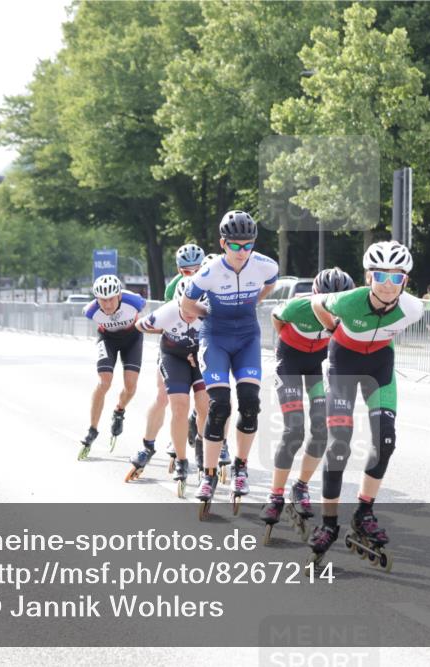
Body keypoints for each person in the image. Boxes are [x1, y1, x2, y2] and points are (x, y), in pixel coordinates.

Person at [306, 241, 423, 570]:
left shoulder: (413, 309)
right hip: (344, 361)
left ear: (405, 282)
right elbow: (317, 302)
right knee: (339, 442)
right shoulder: (348, 300)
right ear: (368, 277)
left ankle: (364, 511)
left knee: (385, 440)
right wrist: (332, 330)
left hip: (379, 366)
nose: (388, 284)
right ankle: (328, 523)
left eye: (396, 278)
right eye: (381, 276)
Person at [181, 210, 278, 514]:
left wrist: (253, 303)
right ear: (223, 244)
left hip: (248, 337)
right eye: (235, 246)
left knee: (250, 402)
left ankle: (240, 468)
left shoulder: (265, 265)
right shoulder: (207, 273)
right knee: (220, 405)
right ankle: (208, 475)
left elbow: (270, 285)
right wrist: (210, 314)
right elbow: (186, 304)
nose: (242, 252)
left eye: (248, 245)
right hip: (216, 338)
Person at [260, 267, 355, 543]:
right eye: (326, 301)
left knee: (321, 430)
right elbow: (276, 318)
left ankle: (300, 487)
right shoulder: (299, 306)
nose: (331, 308)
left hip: (315, 367)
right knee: (293, 430)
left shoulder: (345, 314)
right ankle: (275, 495)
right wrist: (286, 345)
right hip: (288, 362)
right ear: (316, 297)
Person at [132, 279, 209, 495]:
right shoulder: (167, 312)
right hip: (173, 357)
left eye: (196, 309)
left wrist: (201, 356)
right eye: (186, 308)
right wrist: (163, 330)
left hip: (199, 358)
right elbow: (140, 325)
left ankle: (202, 452)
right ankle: (182, 461)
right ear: (178, 302)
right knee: (179, 405)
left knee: (205, 405)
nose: (191, 313)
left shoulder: (209, 315)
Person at [78, 274, 146, 461]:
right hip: (107, 340)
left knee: (131, 385)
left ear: (119, 296)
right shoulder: (91, 311)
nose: (106, 305)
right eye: (102, 300)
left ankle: (119, 411)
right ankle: (92, 429)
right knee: (104, 383)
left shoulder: (134, 302)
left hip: (132, 339)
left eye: (110, 299)